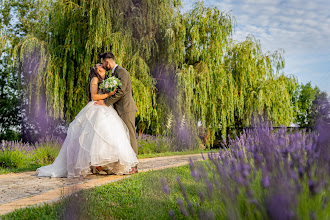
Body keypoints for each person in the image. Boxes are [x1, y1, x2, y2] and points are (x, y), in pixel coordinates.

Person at [37, 64, 138, 177]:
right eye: (99, 65)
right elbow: (94, 96)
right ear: (97, 69)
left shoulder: (108, 79)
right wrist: (108, 94)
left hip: (107, 108)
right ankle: (96, 166)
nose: (101, 65)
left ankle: (104, 165)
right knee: (94, 136)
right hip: (97, 108)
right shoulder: (95, 79)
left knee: (108, 136)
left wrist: (110, 95)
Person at [95, 52, 138, 174]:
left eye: (103, 62)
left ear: (107, 61)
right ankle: (124, 164)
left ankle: (134, 166)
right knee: (123, 137)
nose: (103, 65)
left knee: (130, 136)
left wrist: (106, 102)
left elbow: (121, 91)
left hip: (126, 109)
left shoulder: (122, 72)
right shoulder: (113, 74)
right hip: (117, 110)